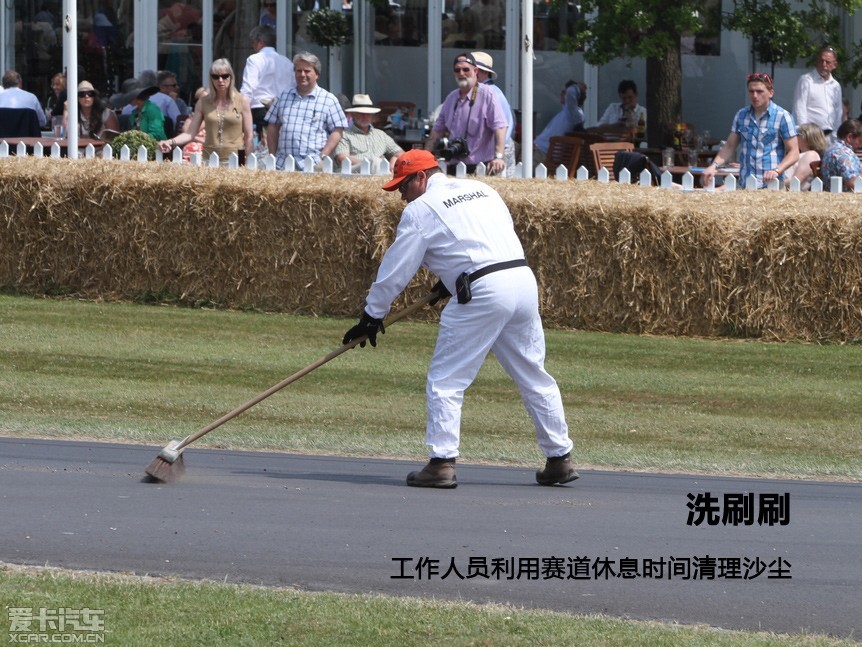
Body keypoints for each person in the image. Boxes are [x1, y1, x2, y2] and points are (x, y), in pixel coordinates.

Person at [342, 149, 578, 489]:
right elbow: (484, 239)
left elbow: (396, 270)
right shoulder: (483, 189)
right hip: (522, 281)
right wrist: (452, 277)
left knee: (446, 379)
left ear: (421, 177)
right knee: (533, 374)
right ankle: (560, 457)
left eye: (403, 187)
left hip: (482, 291)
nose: (401, 197)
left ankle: (441, 463)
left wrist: (371, 315)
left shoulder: (420, 210)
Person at [702, 72, 798, 190]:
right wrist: (713, 166)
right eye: (751, 91)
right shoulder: (741, 115)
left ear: (771, 93)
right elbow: (729, 146)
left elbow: (794, 152)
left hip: (772, 186)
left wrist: (777, 170)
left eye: (759, 91)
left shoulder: (783, 116)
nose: (755, 96)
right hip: (745, 185)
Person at [159, 59, 253, 165]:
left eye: (225, 76)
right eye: (215, 77)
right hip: (210, 158)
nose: (220, 80)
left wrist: (249, 162)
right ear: (211, 79)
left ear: (231, 77)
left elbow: (249, 136)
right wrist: (170, 142)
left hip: (236, 159)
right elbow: (190, 133)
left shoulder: (242, 101)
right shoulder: (203, 102)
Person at [427, 53, 508, 176]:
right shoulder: (451, 98)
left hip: (482, 169)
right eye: (457, 70)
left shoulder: (487, 94)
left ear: (475, 71)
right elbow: (437, 130)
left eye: (466, 69)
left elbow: (500, 127)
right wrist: (426, 155)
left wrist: (499, 156)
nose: (461, 73)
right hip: (454, 167)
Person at [265, 51, 347, 170]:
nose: (302, 74)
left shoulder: (328, 100)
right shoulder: (283, 96)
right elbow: (273, 126)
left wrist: (322, 156)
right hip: (283, 164)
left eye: (307, 71)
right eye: (298, 71)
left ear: (317, 74)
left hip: (313, 165)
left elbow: (338, 130)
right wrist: (272, 156)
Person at [240, 24, 295, 144]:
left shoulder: (254, 59)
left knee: (257, 148)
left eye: (253, 43)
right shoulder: (287, 62)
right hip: (283, 111)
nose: (253, 47)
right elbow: (293, 89)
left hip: (260, 112)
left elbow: (248, 88)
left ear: (260, 43)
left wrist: (240, 111)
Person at [471, 51, 516, 177]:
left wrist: (498, 155)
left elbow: (501, 127)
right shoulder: (483, 91)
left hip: (497, 152)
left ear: (483, 72)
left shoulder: (491, 93)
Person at [333, 94, 404, 171]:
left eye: (368, 114)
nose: (365, 117)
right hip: (354, 173)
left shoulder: (380, 134)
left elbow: (400, 153)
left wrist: (392, 164)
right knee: (375, 162)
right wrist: (368, 164)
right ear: (353, 115)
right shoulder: (344, 135)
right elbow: (342, 158)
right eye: (361, 113)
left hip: (380, 172)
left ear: (372, 116)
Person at [792, 46, 842, 137]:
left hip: (831, 136)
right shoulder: (806, 80)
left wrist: (837, 134)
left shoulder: (836, 85)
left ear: (834, 65)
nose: (824, 64)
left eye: (828, 62)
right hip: (812, 135)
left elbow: (838, 112)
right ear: (816, 61)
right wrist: (805, 133)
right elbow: (799, 108)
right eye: (821, 61)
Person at [534, 80, 586, 164]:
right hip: (538, 149)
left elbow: (570, 95)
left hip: (544, 154)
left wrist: (577, 87)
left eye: (564, 92)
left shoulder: (574, 114)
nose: (562, 93)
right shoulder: (564, 113)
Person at [819, 118, 862, 190]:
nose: (860, 145)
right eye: (860, 141)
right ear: (849, 137)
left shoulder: (833, 148)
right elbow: (853, 183)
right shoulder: (843, 154)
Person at [783, 123, 827, 190]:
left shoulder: (811, 155)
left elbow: (796, 180)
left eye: (797, 134)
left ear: (806, 137)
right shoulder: (804, 154)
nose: (794, 137)